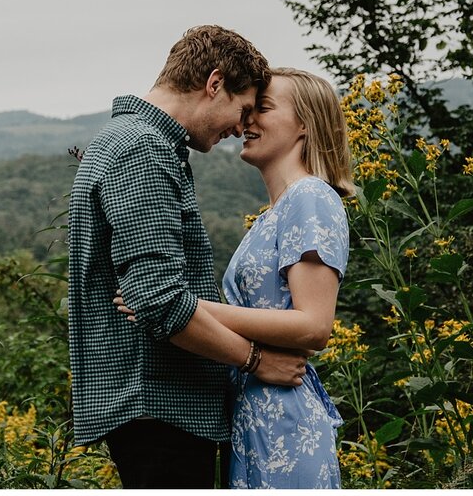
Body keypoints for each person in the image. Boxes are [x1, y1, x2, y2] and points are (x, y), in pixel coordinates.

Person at [68, 26, 311, 489]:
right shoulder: (141, 148)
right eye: (242, 110)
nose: (241, 127)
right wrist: (257, 359)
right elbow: (158, 301)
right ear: (214, 83)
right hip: (160, 408)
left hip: (161, 410)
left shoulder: (139, 143)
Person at [116, 66, 355, 489]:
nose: (247, 121)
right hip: (251, 413)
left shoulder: (312, 196)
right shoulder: (273, 214)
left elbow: (314, 326)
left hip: (284, 421)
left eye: (262, 108)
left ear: (305, 125)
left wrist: (186, 307)